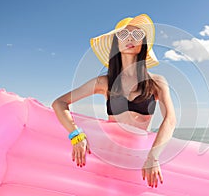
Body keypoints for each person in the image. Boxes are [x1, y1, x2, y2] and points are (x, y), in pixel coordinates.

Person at [52, 14, 176, 188]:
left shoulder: (156, 83)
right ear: (117, 43)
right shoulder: (104, 83)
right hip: (105, 156)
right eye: (123, 35)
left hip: (138, 159)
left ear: (143, 44)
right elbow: (59, 103)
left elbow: (170, 120)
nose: (130, 39)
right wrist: (76, 135)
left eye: (137, 35)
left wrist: (153, 156)